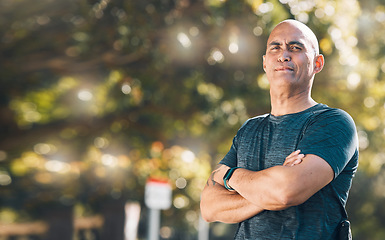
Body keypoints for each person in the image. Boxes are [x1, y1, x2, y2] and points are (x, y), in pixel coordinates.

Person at [200, 19, 358, 240]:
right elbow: (209, 207)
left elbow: (285, 192)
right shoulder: (249, 130)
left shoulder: (333, 123)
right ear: (265, 63)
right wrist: (269, 188)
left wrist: (228, 175)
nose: (284, 55)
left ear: (317, 63)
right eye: (275, 47)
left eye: (296, 47)